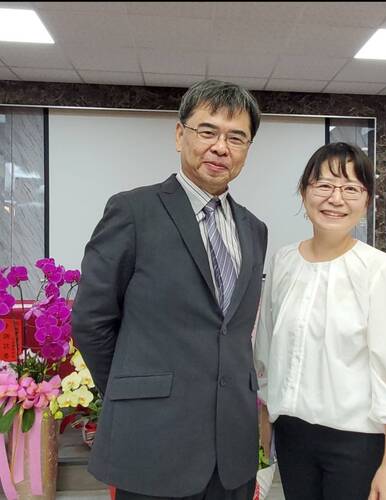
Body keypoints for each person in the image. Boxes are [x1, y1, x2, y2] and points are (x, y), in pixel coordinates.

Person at [71, 79, 268, 500]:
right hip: (151, 439)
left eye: (236, 138)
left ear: (247, 149)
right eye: (207, 131)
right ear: (180, 135)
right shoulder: (133, 211)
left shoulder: (255, 229)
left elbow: (231, 332)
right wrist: (133, 392)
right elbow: (91, 321)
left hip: (232, 449)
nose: (221, 147)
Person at [254, 142, 386, 500]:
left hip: (356, 442)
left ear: (366, 200)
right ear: (304, 191)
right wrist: (264, 423)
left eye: (350, 188)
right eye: (323, 185)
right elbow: (266, 351)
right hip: (291, 436)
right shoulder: (283, 262)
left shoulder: (377, 269)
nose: (335, 198)